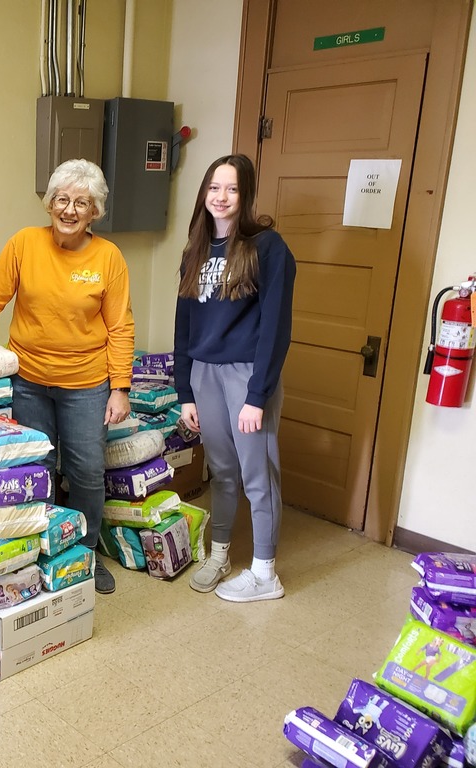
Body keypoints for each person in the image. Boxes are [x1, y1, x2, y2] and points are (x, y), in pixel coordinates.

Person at [0, 159, 134, 595]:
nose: (69, 210)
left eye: (81, 203)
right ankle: (40, 555)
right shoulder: (24, 244)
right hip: (28, 379)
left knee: (85, 473)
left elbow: (121, 325)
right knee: (36, 470)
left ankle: (82, 555)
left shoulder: (108, 257)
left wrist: (120, 387)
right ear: (49, 204)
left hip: (86, 384)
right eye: (62, 200)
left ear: (94, 212)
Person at [174, 153, 296, 602]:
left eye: (232, 189)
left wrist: (257, 395)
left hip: (248, 377)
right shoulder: (196, 249)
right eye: (213, 188)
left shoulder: (267, 247)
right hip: (204, 374)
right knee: (222, 472)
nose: (221, 197)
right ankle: (220, 553)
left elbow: (276, 327)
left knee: (257, 473)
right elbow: (183, 325)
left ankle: (265, 573)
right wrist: (184, 390)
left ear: (245, 196)